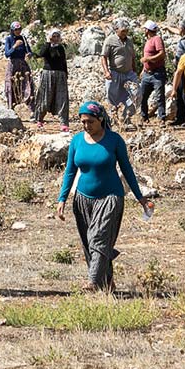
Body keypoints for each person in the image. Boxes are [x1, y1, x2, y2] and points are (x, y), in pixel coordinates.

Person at [54, 102, 148, 292]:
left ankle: (93, 282)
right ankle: (107, 281)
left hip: (110, 197)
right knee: (89, 243)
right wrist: (62, 199)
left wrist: (140, 197)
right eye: (83, 122)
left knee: (98, 238)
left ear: (101, 119)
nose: (86, 125)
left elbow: (127, 170)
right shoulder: (77, 141)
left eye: (90, 121)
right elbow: (70, 171)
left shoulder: (114, 140)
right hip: (83, 199)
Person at [101, 20, 138, 127]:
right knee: (112, 96)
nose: (125, 33)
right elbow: (103, 56)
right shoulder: (110, 40)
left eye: (126, 31)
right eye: (123, 31)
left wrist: (135, 70)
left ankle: (126, 117)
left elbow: (132, 57)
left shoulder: (129, 41)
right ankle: (114, 119)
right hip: (115, 73)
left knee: (136, 93)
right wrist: (106, 72)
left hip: (129, 73)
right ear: (116, 30)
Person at [33, 30, 70, 131]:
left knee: (62, 98)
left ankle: (64, 122)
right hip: (48, 74)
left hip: (60, 74)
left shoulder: (60, 48)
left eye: (57, 36)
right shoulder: (47, 46)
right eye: (54, 36)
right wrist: (48, 43)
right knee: (45, 97)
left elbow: (63, 61)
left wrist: (65, 73)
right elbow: (41, 54)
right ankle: (40, 118)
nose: (56, 38)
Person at [138, 21, 167, 125]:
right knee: (142, 96)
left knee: (159, 97)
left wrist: (148, 59)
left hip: (157, 73)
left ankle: (161, 119)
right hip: (147, 73)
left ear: (147, 30)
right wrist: (143, 70)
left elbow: (162, 54)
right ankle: (144, 117)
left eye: (145, 29)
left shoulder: (156, 39)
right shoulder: (148, 41)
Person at [3, 22, 35, 109]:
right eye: (16, 29)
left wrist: (29, 54)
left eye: (19, 29)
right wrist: (15, 46)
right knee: (11, 85)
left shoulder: (23, 38)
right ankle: (11, 107)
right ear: (12, 30)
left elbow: (28, 50)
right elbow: (7, 54)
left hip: (22, 64)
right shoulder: (9, 39)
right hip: (13, 65)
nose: (18, 31)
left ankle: (30, 107)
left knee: (28, 84)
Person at [171, 21, 185, 127]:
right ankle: (180, 117)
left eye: (179, 27)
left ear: (183, 29)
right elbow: (176, 31)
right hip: (180, 69)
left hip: (184, 70)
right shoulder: (184, 37)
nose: (178, 29)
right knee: (179, 93)